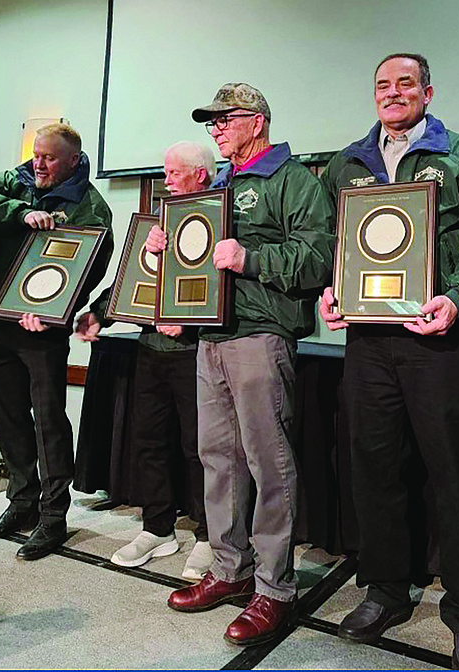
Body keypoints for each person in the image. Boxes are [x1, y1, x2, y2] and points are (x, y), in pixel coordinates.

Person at [319, 53, 459, 670]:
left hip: (439, 340)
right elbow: (331, 246)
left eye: (404, 83)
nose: (392, 94)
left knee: (456, 475)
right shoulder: (347, 163)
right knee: (373, 470)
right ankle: (386, 590)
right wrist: (332, 294)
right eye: (382, 85)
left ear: (428, 90)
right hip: (368, 344)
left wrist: (457, 298)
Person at [150, 83, 335, 646]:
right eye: (211, 123)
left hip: (261, 336)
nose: (216, 129)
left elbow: (320, 256)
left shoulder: (292, 179)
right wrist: (163, 250)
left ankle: (274, 587)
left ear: (257, 121)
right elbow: (198, 263)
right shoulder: (218, 185)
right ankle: (229, 570)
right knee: (218, 459)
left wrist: (250, 257)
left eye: (224, 119)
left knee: (267, 462)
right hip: (211, 337)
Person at [0, 123, 113, 560]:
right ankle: (21, 503)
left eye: (49, 157)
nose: (39, 163)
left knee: (48, 419)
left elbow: (91, 266)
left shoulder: (91, 207)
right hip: (3, 318)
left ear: (72, 161)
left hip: (44, 328)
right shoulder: (17, 181)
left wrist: (56, 313)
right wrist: (17, 211)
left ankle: (53, 516)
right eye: (36, 154)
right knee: (8, 414)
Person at [75, 141, 216, 580]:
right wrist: (97, 313)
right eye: (165, 172)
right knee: (148, 441)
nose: (167, 180)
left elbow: (221, 287)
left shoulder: (221, 219)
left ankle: (210, 536)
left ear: (201, 176)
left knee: (200, 449)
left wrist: (189, 325)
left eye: (176, 173)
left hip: (198, 355)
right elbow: (128, 280)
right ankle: (158, 527)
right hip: (150, 351)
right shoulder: (154, 224)